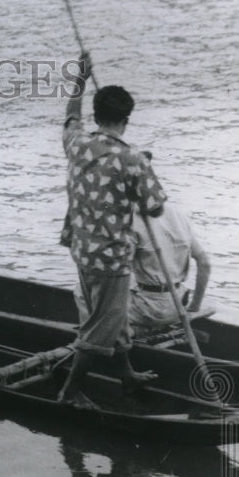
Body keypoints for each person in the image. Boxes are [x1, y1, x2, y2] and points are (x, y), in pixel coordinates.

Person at [56, 51, 167, 408]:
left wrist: (80, 80)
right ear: (126, 119)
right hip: (112, 258)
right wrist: (143, 166)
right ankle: (70, 393)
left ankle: (126, 374)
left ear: (96, 115)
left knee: (110, 317)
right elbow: (156, 206)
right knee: (101, 327)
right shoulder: (131, 159)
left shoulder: (77, 143)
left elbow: (70, 116)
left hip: (83, 250)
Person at [128, 202, 211, 334]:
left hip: (147, 309)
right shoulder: (179, 215)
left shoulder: (131, 219)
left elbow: (120, 271)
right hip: (177, 306)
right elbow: (205, 263)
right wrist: (194, 307)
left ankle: (101, 342)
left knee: (86, 293)